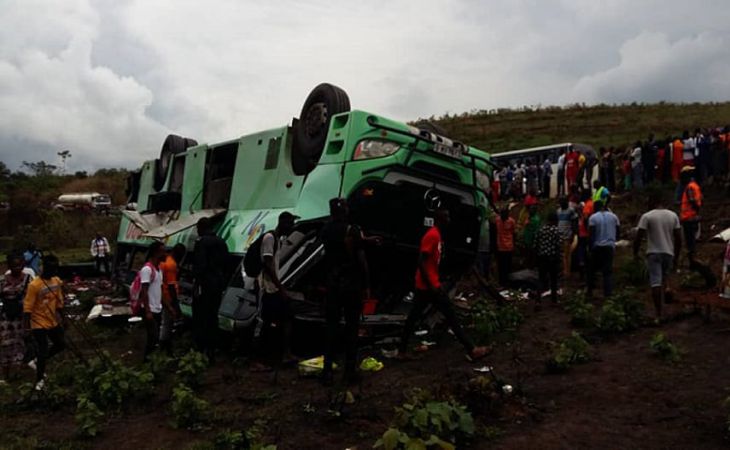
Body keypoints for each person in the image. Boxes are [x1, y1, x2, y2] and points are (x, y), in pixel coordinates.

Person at [399, 209, 489, 361]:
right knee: (451, 316)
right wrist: (432, 285)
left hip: (427, 286)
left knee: (413, 317)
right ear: (440, 219)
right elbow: (421, 261)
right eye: (446, 216)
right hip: (429, 287)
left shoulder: (437, 235)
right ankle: (472, 349)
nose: (449, 219)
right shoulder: (432, 235)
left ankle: (401, 350)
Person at [320, 198, 371, 384]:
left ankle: (327, 371)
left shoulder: (325, 230)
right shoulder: (352, 230)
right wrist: (366, 285)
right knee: (352, 328)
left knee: (331, 328)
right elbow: (361, 260)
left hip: (333, 283)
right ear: (345, 210)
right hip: (351, 284)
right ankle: (349, 371)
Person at [257, 212, 298, 366]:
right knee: (269, 323)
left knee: (284, 319)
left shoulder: (278, 240)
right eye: (291, 223)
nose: (292, 227)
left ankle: (280, 354)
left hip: (274, 287)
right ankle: (264, 358)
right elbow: (268, 265)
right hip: (269, 289)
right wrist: (281, 288)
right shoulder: (269, 238)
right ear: (283, 223)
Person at [634, 192, 682, 320]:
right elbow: (678, 238)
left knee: (655, 282)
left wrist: (635, 252)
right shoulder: (673, 215)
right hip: (668, 252)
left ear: (652, 203)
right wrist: (676, 256)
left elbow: (639, 236)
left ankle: (658, 312)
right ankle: (667, 301)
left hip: (653, 252)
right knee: (665, 278)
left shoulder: (647, 216)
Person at [23, 254, 66, 390]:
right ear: (44, 268)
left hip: (51, 319)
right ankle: (39, 380)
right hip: (38, 321)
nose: (53, 271)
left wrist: (63, 318)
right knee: (42, 348)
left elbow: (59, 302)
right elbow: (27, 308)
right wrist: (27, 328)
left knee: (60, 344)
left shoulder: (56, 281)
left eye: (55, 269)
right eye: (51, 268)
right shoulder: (34, 285)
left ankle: (37, 361)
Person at [192, 217, 230, 362]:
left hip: (205, 284)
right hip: (218, 284)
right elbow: (226, 263)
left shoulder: (201, 243)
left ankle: (201, 349)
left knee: (201, 316)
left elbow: (200, 266)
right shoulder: (221, 242)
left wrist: (197, 283)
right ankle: (213, 349)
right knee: (213, 316)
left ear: (201, 228)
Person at [0, 254, 33, 384]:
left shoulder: (28, 280)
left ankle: (17, 374)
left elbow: (31, 299)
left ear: (23, 265)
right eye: (14, 266)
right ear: (9, 266)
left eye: (19, 265)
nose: (17, 268)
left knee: (20, 345)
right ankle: (5, 375)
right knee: (5, 345)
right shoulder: (3, 281)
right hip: (6, 319)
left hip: (22, 318)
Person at [139, 241, 168, 361]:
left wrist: (167, 306)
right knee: (153, 338)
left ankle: (150, 362)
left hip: (157, 309)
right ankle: (147, 362)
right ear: (157, 253)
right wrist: (147, 311)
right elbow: (144, 291)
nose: (165, 254)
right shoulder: (147, 269)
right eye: (163, 251)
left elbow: (159, 290)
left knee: (154, 338)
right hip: (150, 309)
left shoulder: (158, 270)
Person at [587, 201, 620, 298]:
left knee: (591, 270)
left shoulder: (593, 218)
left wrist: (589, 249)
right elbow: (618, 232)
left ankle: (590, 292)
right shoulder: (614, 217)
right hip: (609, 247)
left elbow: (591, 235)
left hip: (597, 247)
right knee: (607, 272)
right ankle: (608, 294)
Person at [159, 243, 185, 354]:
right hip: (168, 296)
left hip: (162, 295)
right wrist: (176, 305)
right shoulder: (171, 265)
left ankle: (163, 346)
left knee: (164, 321)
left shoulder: (165, 260)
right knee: (167, 323)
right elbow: (171, 286)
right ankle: (164, 346)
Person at [535, 212, 562, 304]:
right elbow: (558, 245)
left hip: (542, 258)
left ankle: (538, 300)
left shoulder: (541, 230)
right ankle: (554, 300)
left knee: (541, 279)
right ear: (555, 220)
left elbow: (536, 244)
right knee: (553, 279)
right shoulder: (556, 230)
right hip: (552, 258)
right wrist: (559, 258)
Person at [679, 166, 702, 265]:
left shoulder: (689, 187)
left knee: (690, 241)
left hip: (688, 217)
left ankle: (692, 261)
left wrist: (695, 210)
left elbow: (692, 201)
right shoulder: (695, 186)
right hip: (692, 216)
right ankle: (692, 259)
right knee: (692, 239)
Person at [556, 197, 578, 279]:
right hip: (560, 235)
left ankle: (567, 272)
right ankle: (565, 270)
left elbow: (574, 222)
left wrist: (574, 234)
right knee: (562, 255)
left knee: (567, 255)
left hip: (567, 235)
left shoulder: (571, 211)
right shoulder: (558, 211)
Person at [495, 208, 516, 287]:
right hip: (500, 247)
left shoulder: (511, 221)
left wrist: (513, 245)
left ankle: (507, 282)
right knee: (501, 266)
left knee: (508, 266)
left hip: (508, 247)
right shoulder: (497, 220)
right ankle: (501, 282)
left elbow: (514, 234)